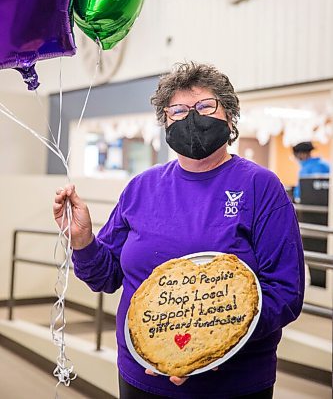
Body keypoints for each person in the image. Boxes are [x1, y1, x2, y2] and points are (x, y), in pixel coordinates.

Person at [53, 62, 305, 399]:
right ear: (166, 122)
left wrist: (217, 341)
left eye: (204, 107)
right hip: (141, 376)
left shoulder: (260, 186)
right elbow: (106, 277)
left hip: (233, 383)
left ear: (229, 117)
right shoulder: (141, 187)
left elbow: (285, 291)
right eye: (178, 110)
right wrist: (83, 240)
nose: (191, 118)